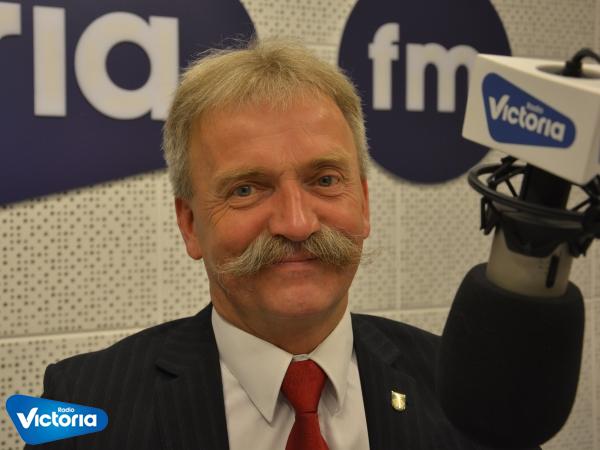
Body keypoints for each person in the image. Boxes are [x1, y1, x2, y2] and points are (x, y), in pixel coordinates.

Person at [27, 39, 536, 450]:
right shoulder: (83, 405)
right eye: (247, 189)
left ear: (364, 203)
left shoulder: (468, 397)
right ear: (189, 224)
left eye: (325, 180)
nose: (296, 223)